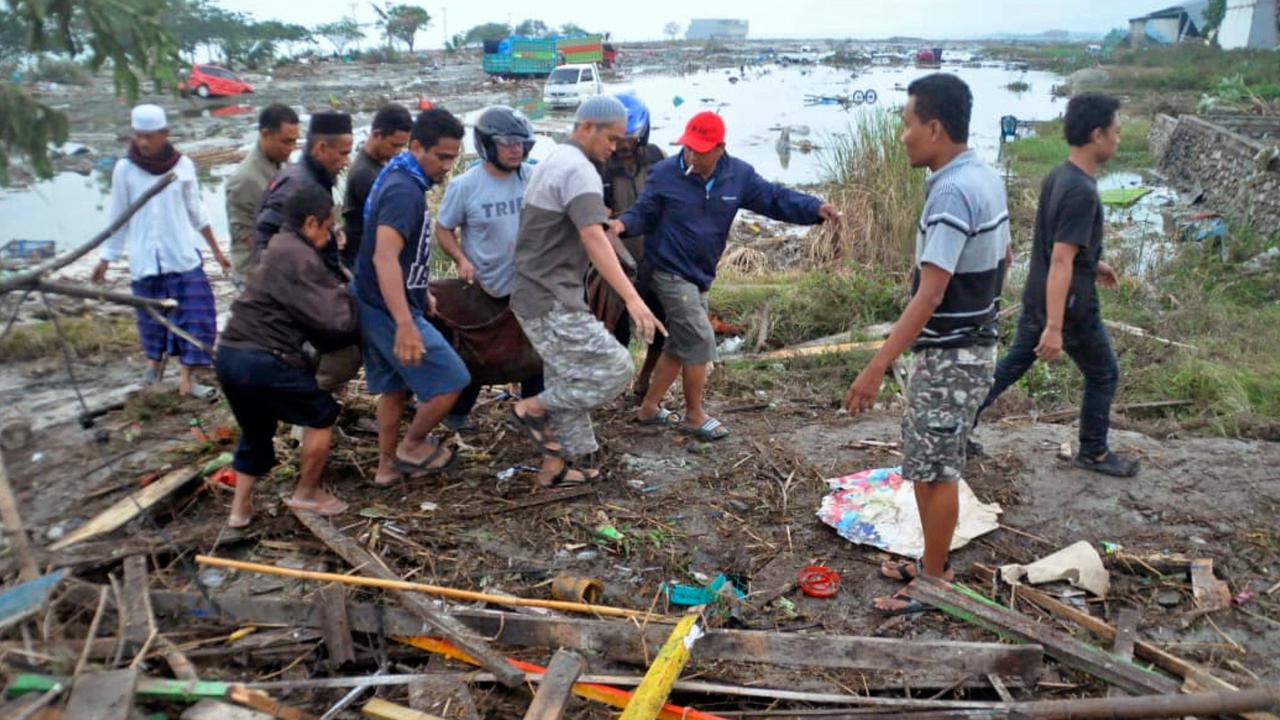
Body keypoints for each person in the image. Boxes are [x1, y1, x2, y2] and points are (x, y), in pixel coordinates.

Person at [843, 74, 1011, 614]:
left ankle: (934, 584)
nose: (902, 135)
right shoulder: (983, 175)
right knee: (934, 463)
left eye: (907, 124)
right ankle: (933, 563)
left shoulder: (953, 191)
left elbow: (930, 293)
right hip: (973, 346)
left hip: (951, 357)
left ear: (934, 128)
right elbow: (1004, 259)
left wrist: (875, 367)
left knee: (935, 471)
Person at [612, 111, 839, 440]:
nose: (692, 155)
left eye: (701, 150)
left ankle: (648, 408)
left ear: (720, 147)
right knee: (700, 338)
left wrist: (815, 209)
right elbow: (643, 212)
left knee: (680, 344)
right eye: (688, 148)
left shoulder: (738, 176)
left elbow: (775, 198)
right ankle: (694, 415)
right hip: (666, 270)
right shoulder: (663, 174)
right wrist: (622, 224)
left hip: (700, 274)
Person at [973, 93, 1139, 478]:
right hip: (1068, 304)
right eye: (1116, 131)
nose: (1119, 138)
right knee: (1104, 373)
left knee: (1011, 366)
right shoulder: (1081, 190)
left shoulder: (1059, 175)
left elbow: (1057, 247)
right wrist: (1055, 326)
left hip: (1040, 293)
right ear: (1097, 134)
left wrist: (1093, 263)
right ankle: (1094, 452)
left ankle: (956, 427)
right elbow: (1061, 258)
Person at [508, 96, 665, 487]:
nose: (614, 148)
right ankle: (530, 408)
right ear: (587, 127)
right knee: (615, 368)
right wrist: (633, 298)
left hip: (537, 291)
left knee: (570, 375)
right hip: (549, 297)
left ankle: (577, 463)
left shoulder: (556, 160)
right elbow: (593, 236)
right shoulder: (579, 170)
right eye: (611, 138)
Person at [217, 184, 359, 527]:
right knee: (322, 413)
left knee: (255, 432)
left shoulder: (278, 245)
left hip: (228, 356)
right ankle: (307, 493)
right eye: (328, 227)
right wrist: (352, 293)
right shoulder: (301, 256)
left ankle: (239, 511)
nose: (329, 236)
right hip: (264, 359)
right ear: (311, 223)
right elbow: (336, 320)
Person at [354, 109, 470, 486]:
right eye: (443, 156)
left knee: (394, 388)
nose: (448, 166)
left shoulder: (399, 175)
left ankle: (386, 468)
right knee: (452, 379)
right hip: (387, 309)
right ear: (417, 147)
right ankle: (412, 445)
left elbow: (402, 256)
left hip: (376, 301)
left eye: (454, 157)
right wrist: (405, 322)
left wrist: (420, 293)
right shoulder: (404, 191)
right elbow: (384, 256)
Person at [93, 104, 231, 398]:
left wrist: (217, 250)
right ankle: (153, 365)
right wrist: (108, 257)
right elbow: (118, 217)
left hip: (181, 256)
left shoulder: (182, 166)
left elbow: (197, 212)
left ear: (165, 134)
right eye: (139, 136)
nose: (143, 142)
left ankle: (187, 378)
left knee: (196, 314)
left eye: (150, 136)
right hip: (146, 259)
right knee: (151, 318)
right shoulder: (124, 169)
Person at [435, 105, 543, 432]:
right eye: (507, 143)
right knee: (477, 356)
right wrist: (461, 260)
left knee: (536, 352)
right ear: (487, 144)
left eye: (521, 143)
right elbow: (443, 229)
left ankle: (530, 413)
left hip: (528, 285)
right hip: (485, 287)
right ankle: (456, 416)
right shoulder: (465, 187)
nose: (515, 149)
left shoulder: (532, 177)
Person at [255, 111, 361, 392]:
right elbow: (266, 235)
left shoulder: (301, 177)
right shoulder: (300, 184)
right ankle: (306, 416)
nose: (346, 162)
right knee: (342, 356)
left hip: (309, 292)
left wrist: (332, 231)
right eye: (343, 153)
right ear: (321, 148)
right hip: (300, 298)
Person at [598, 92, 667, 399]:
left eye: (631, 138)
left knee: (661, 325)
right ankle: (612, 385)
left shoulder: (656, 158)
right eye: (619, 139)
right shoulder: (597, 166)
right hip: (615, 263)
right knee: (616, 330)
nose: (624, 146)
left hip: (655, 257)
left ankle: (644, 380)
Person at [224, 104, 299, 279]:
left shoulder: (282, 163)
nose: (291, 148)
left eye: (294, 141)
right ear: (265, 135)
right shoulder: (245, 179)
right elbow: (246, 236)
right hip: (255, 274)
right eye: (286, 141)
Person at [342, 103, 413, 268]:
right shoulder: (364, 174)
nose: (398, 152)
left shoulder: (380, 164)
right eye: (394, 145)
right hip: (362, 262)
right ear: (377, 134)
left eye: (402, 146)